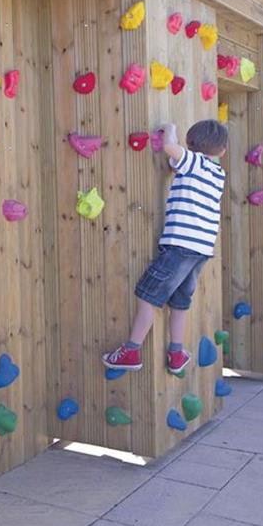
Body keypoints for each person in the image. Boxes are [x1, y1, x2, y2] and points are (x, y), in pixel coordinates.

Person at [102, 120, 227, 374]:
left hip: (180, 245)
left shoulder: (195, 162)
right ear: (222, 151)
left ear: (192, 145)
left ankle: (131, 349)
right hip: (201, 250)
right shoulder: (217, 173)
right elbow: (175, 162)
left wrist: (170, 128)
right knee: (180, 301)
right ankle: (176, 353)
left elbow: (170, 148)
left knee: (147, 296)